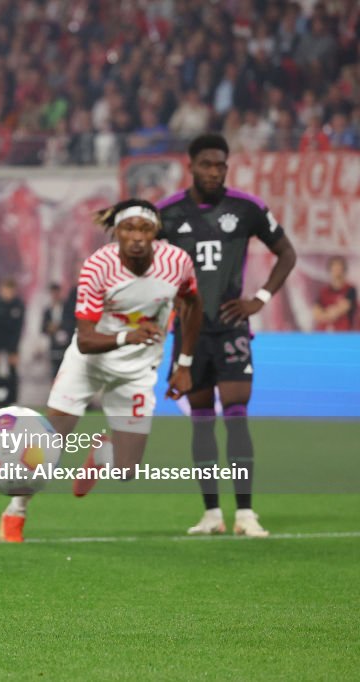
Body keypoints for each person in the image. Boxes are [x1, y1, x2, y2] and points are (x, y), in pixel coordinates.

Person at [0, 199, 203, 543]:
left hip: (138, 372)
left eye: (144, 229)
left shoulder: (176, 262)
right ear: (116, 232)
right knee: (51, 442)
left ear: (155, 233)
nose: (137, 237)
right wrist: (129, 336)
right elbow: (85, 340)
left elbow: (193, 305)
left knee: (126, 471)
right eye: (129, 228)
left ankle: (102, 453)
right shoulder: (98, 265)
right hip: (89, 363)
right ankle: (16, 510)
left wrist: (184, 364)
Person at [158, 133, 297, 538]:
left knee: (236, 419)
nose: (216, 172)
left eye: (221, 165)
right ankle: (212, 514)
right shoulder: (167, 213)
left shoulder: (248, 208)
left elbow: (287, 252)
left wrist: (260, 298)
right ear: (191, 166)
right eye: (208, 164)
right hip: (189, 333)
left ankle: (247, 514)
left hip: (232, 327)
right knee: (202, 423)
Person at [0, 278, 25, 402]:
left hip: (12, 341)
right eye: (5, 290)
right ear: (1, 290)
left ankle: (13, 398)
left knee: (12, 369)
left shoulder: (19, 305)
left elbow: (19, 328)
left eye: (10, 290)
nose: (7, 293)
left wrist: (15, 346)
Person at [41, 282, 76, 380]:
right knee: (54, 372)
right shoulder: (47, 310)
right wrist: (49, 328)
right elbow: (43, 329)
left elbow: (72, 324)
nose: (55, 295)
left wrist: (60, 326)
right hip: (54, 346)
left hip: (67, 346)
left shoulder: (68, 308)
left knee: (68, 371)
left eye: (56, 293)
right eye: (53, 293)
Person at [312, 256, 356, 331]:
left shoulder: (350, 289)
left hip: (343, 334)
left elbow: (340, 309)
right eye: (334, 267)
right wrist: (325, 315)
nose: (336, 270)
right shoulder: (324, 291)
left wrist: (327, 314)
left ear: (344, 270)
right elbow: (316, 312)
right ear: (330, 270)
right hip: (323, 333)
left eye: (339, 268)